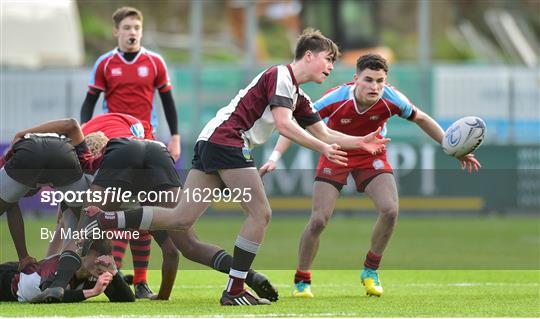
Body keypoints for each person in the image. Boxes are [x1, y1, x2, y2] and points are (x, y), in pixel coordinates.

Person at [81, 29, 389, 306]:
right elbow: (285, 125)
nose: (332, 66)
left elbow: (325, 132)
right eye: (328, 59)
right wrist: (323, 148)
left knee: (180, 218)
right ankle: (235, 288)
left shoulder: (297, 95)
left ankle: (109, 218)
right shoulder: (281, 75)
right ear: (308, 56)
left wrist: (361, 142)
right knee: (260, 213)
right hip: (228, 141)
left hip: (211, 141)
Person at [259, 54, 482, 298]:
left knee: (390, 210)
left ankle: (370, 271)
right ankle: (302, 280)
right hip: (336, 154)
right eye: (368, 80)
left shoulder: (391, 98)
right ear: (356, 79)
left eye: (380, 81)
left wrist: (452, 148)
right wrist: (274, 158)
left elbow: (422, 118)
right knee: (319, 219)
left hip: (371, 155)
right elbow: (294, 126)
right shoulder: (335, 98)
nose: (374, 86)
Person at [28, 116, 278, 303]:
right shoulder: (126, 125)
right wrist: (164, 297)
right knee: (189, 242)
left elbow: (67, 225)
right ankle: (249, 275)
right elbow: (172, 252)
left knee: (86, 228)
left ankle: (56, 287)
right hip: (158, 152)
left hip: (122, 153)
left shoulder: (87, 154)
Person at [79, 6, 180, 298]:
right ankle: (114, 273)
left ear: (141, 31)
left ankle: (141, 280)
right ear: (116, 32)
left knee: (143, 210)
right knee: (118, 208)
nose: (132, 32)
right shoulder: (105, 63)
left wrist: (174, 138)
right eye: (127, 28)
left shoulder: (155, 62)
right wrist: (87, 132)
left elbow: (168, 101)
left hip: (148, 140)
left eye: (136, 28)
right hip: (115, 144)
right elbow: (89, 101)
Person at [0, 240, 134, 303]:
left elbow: (127, 299)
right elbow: (49, 297)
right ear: (83, 255)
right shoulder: (58, 265)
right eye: (97, 256)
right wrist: (92, 292)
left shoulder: (96, 273)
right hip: (6, 279)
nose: (102, 262)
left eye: (105, 257)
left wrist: (114, 272)